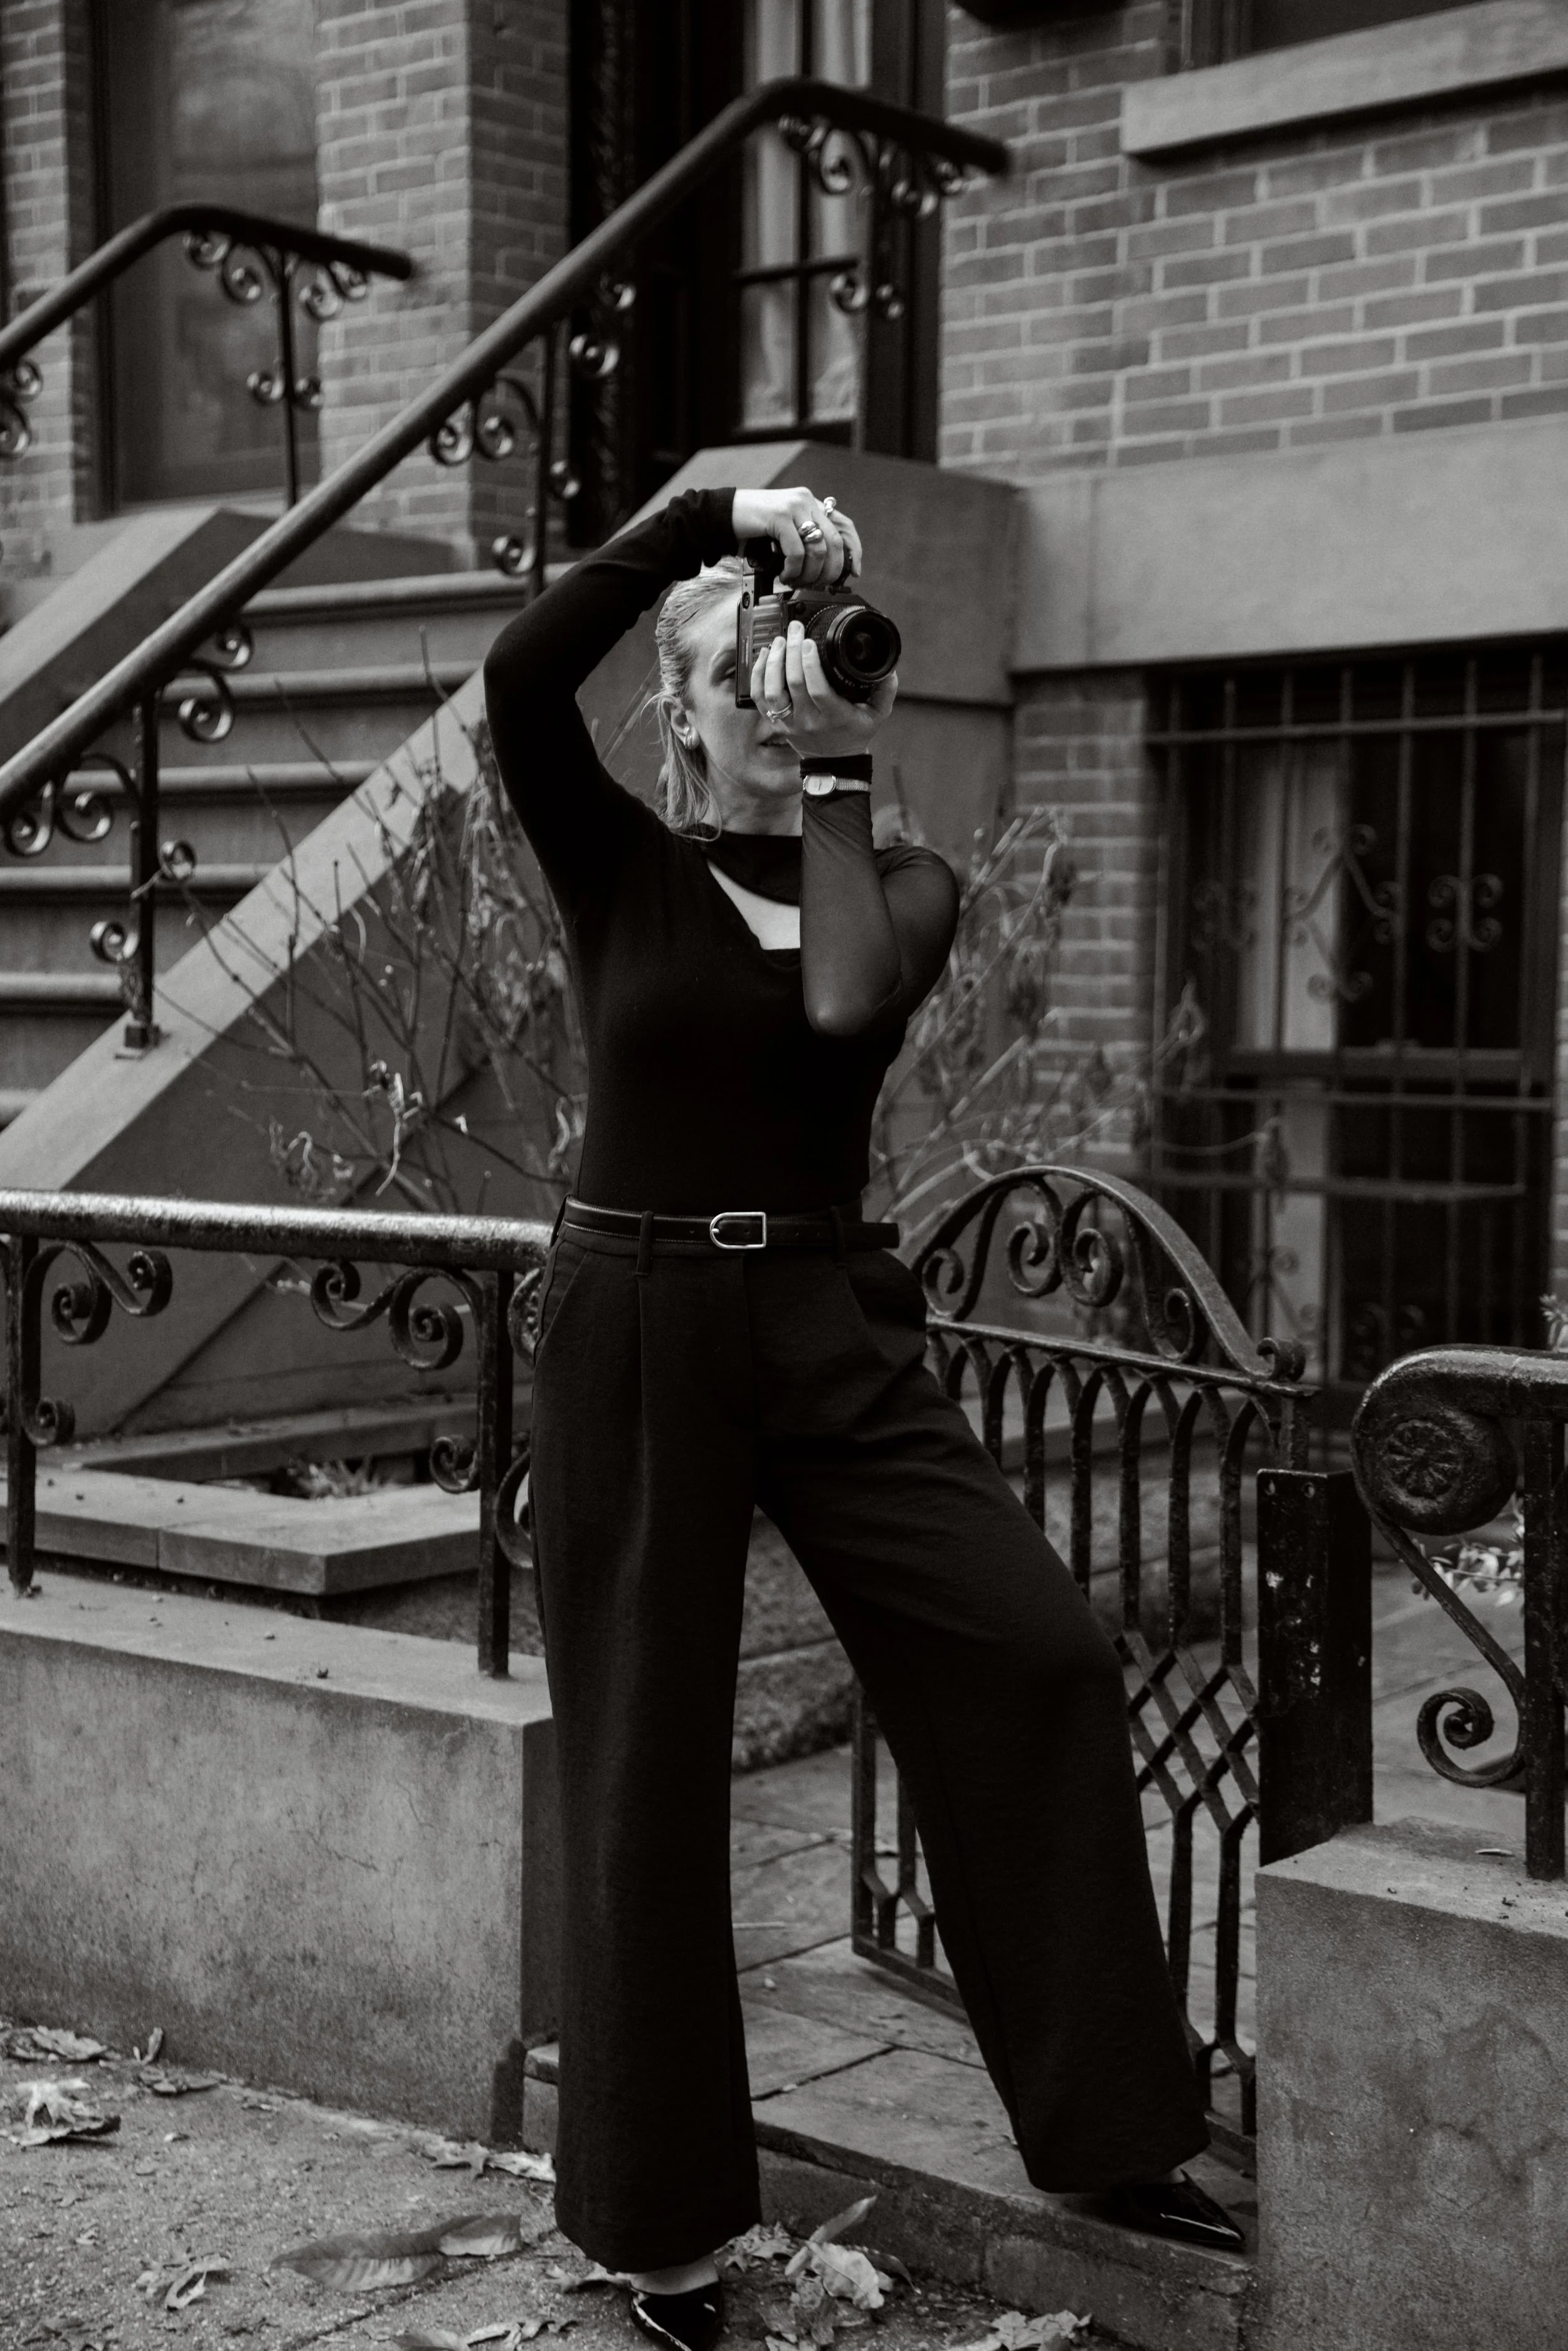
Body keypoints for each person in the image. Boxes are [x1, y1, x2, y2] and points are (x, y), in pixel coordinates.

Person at [482, 484, 1241, 2351]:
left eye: (794, 651)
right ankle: (660, 2235)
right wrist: (702, 523)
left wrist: (830, 778)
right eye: (739, 658)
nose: (773, 675)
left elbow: (833, 1000)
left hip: (827, 1309)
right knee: (652, 1753)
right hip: (636, 1313)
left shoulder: (898, 878)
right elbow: (517, 673)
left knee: (1037, 1645)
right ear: (685, 700)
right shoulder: (618, 861)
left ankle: (1112, 2122)